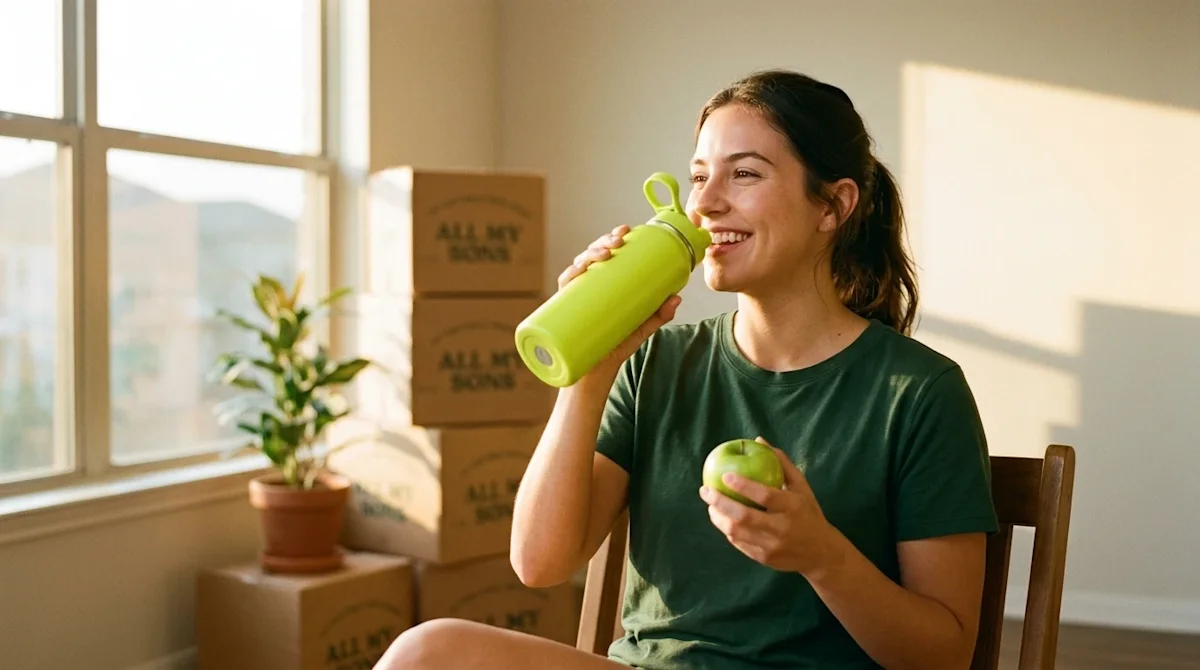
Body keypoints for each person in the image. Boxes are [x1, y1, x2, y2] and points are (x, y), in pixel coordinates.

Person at [373, 68, 998, 670]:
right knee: (424, 653)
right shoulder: (657, 362)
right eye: (699, 176)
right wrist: (587, 371)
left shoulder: (918, 393)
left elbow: (942, 655)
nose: (705, 203)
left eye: (744, 174)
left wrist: (822, 556)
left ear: (832, 206)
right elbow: (539, 563)